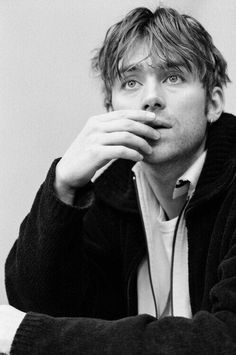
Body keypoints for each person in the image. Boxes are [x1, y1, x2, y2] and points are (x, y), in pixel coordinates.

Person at [1, 5, 236, 354]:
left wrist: (28, 336)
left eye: (173, 77)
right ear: (111, 110)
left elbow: (224, 340)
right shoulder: (115, 191)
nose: (151, 98)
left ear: (213, 103)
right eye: (131, 82)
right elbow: (37, 301)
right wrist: (63, 185)